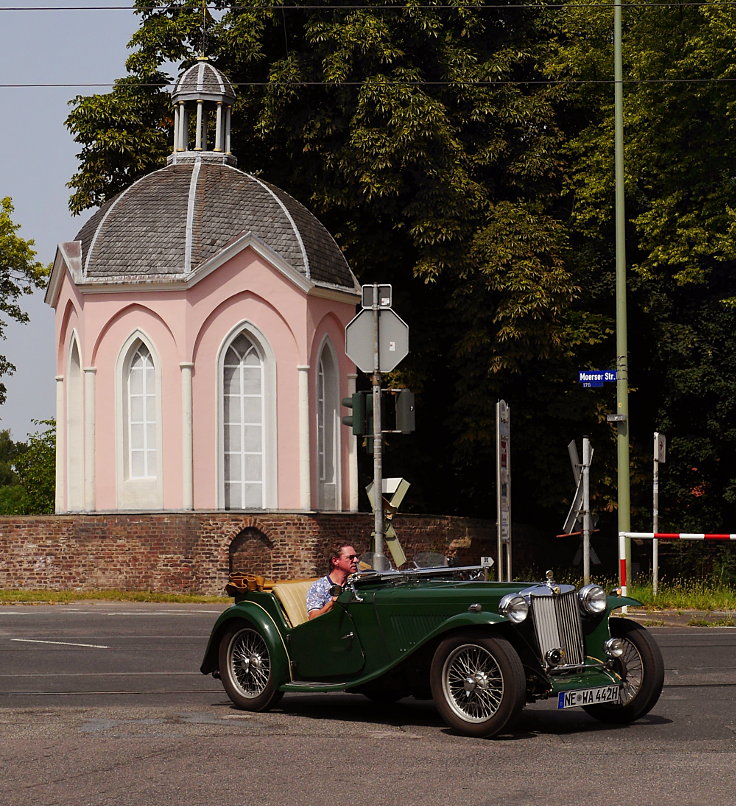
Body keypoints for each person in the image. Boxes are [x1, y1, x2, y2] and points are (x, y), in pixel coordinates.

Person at [306, 542, 359, 620]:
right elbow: (313, 618)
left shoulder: (355, 584)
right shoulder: (319, 587)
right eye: (351, 557)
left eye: (356, 556)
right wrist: (333, 602)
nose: (356, 560)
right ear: (335, 561)